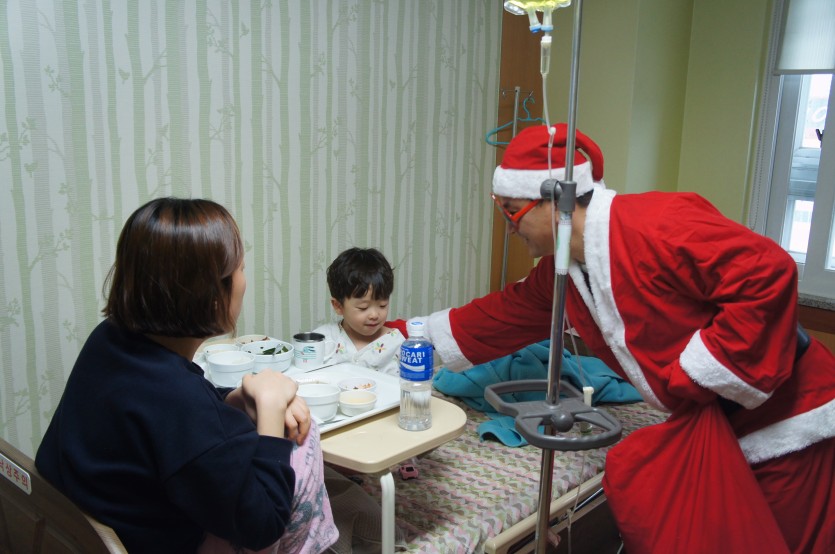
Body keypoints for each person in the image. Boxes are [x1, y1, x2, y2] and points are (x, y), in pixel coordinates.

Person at [390, 124, 835, 554]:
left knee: (781, 540)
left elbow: (767, 273)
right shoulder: (565, 274)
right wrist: (399, 335)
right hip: (720, 421)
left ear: (556, 201)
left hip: (790, 417)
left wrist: (694, 375)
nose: (508, 228)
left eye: (511, 211)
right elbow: (498, 317)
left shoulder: (656, 223)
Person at [35, 198, 338, 554]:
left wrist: (232, 399)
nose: (244, 280)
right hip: (157, 543)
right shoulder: (180, 401)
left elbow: (176, 418)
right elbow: (262, 526)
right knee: (303, 441)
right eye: (241, 268)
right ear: (212, 296)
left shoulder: (109, 339)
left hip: (78, 528)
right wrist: (271, 408)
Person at [313, 247, 404, 376]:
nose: (374, 315)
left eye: (382, 305)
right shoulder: (324, 339)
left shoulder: (396, 343)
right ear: (338, 306)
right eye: (363, 308)